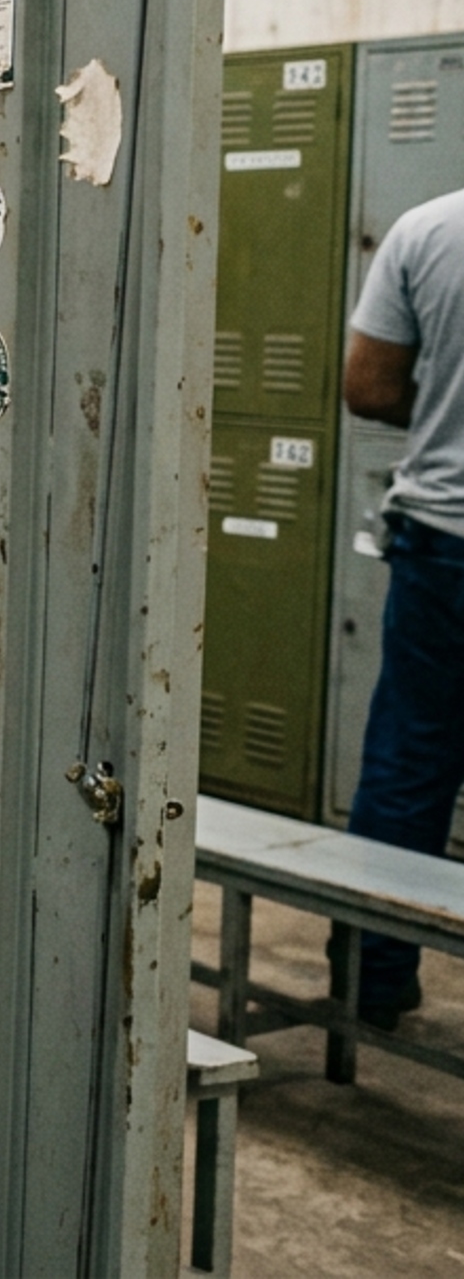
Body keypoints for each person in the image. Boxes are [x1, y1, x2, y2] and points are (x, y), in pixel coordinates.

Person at [338, 185, 464, 1030]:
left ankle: (372, 979)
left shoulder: (429, 228)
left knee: (409, 761)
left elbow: (369, 385)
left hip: (443, 540)